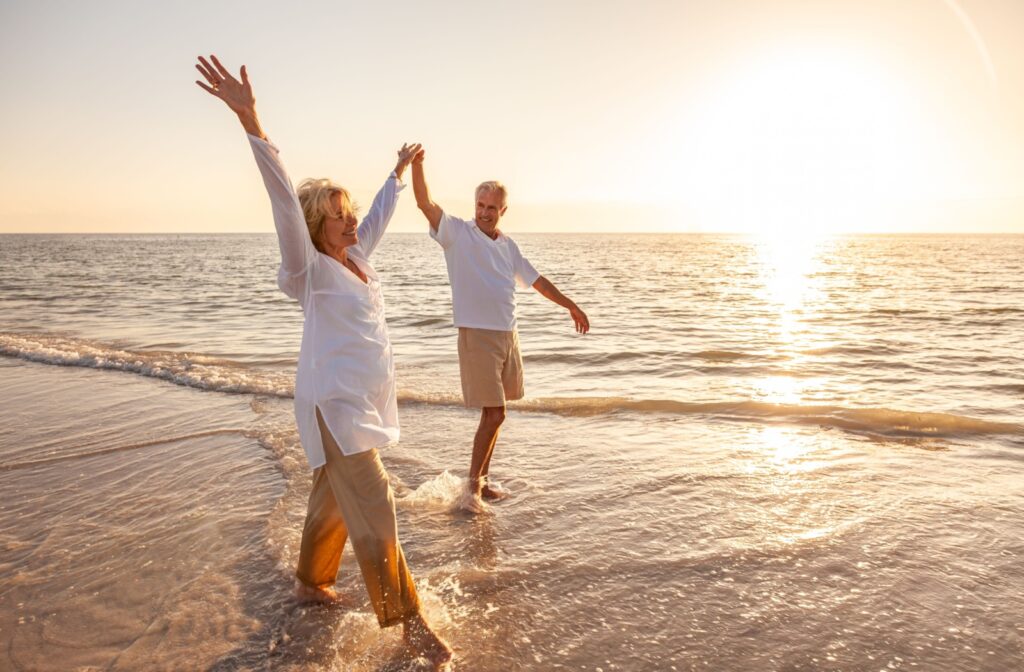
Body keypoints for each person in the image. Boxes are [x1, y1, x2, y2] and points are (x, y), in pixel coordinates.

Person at [194, 55, 451, 667]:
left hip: (359, 401)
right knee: (374, 499)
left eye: (348, 211)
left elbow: (382, 215)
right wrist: (251, 120)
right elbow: (284, 200)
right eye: (334, 215)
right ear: (314, 225)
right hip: (334, 405)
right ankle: (409, 623)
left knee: (332, 500)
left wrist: (395, 174)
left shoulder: (358, 259)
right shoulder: (306, 271)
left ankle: (310, 581)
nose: (348, 220)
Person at [410, 148, 590, 511]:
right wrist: (418, 165)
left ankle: (481, 482)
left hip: (508, 335)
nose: (484, 212)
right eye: (480, 205)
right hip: (477, 334)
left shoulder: (508, 246)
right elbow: (424, 203)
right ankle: (472, 490)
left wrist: (570, 304)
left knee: (497, 412)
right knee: (495, 413)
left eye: (492, 207)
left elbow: (537, 281)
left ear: (502, 211)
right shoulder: (457, 234)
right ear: (474, 205)